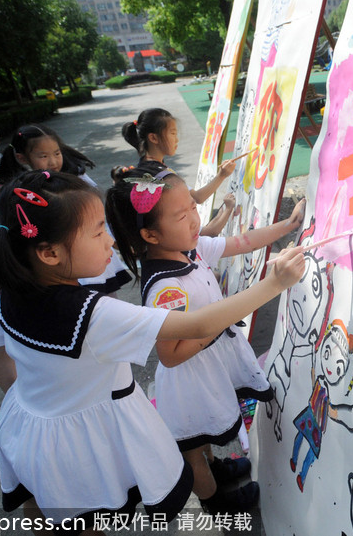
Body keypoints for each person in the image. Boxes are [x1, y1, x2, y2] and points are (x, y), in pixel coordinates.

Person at [0, 170, 306, 533]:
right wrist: (275, 283)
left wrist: (32, 398)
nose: (111, 242)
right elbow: (194, 328)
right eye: (99, 231)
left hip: (25, 425)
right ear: (50, 253)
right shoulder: (93, 314)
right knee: (85, 519)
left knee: (45, 505)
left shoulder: (6, 295)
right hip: (74, 445)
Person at [106, 164, 305, 515]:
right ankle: (217, 502)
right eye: (182, 215)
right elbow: (169, 355)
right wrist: (218, 321)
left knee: (204, 439)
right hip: (189, 381)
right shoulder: (165, 287)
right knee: (192, 446)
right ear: (151, 236)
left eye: (193, 208)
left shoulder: (189, 248)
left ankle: (218, 469)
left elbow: (240, 242)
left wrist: (287, 226)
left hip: (208, 366)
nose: (195, 220)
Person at [0, 124, 129, 293]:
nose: (53, 161)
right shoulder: (23, 195)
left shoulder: (76, 179)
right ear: (22, 158)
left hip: (91, 257)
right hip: (65, 265)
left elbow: (99, 216)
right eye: (43, 156)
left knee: (104, 303)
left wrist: (113, 239)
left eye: (57, 153)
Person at [121, 108, 237, 212]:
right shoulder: (159, 174)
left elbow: (197, 197)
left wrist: (222, 175)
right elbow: (197, 197)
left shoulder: (148, 166)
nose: (176, 140)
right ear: (153, 138)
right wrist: (222, 175)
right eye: (172, 133)